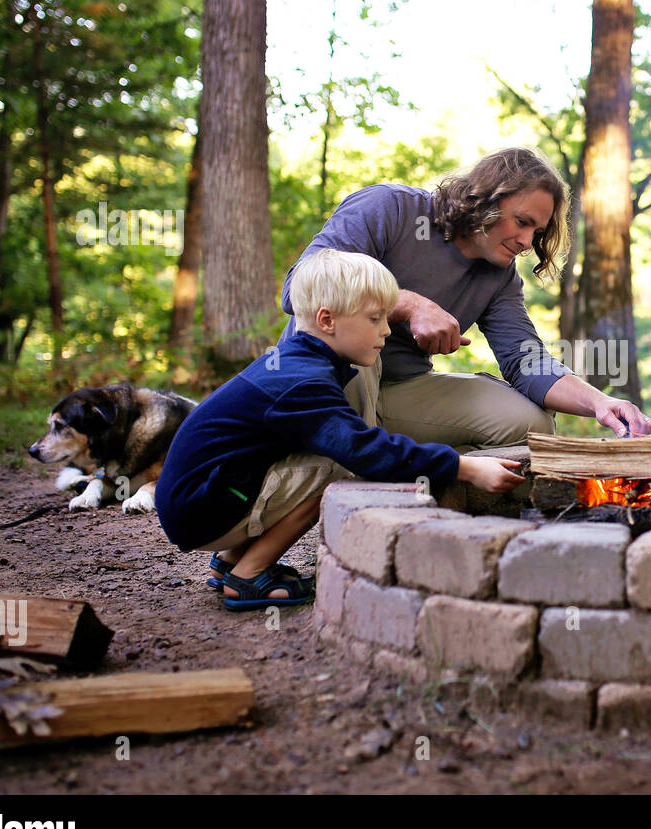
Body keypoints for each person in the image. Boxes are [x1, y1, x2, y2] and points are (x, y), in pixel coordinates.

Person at [154, 249, 526, 611]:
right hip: (201, 510)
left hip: (201, 501)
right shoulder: (304, 382)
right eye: (375, 319)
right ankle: (248, 576)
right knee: (342, 467)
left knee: (328, 454)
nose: (385, 331)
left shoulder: (298, 363)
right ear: (327, 320)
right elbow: (368, 453)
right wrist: (468, 468)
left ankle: (232, 559)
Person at [278, 147, 651, 450]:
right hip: (326, 382)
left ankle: (432, 470)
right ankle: (340, 456)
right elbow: (300, 287)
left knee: (531, 424)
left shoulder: (500, 275)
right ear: (485, 199)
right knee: (349, 338)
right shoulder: (388, 208)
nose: (527, 242)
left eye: (537, 231)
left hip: (400, 392)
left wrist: (600, 404)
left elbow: (526, 361)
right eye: (522, 222)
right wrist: (408, 304)